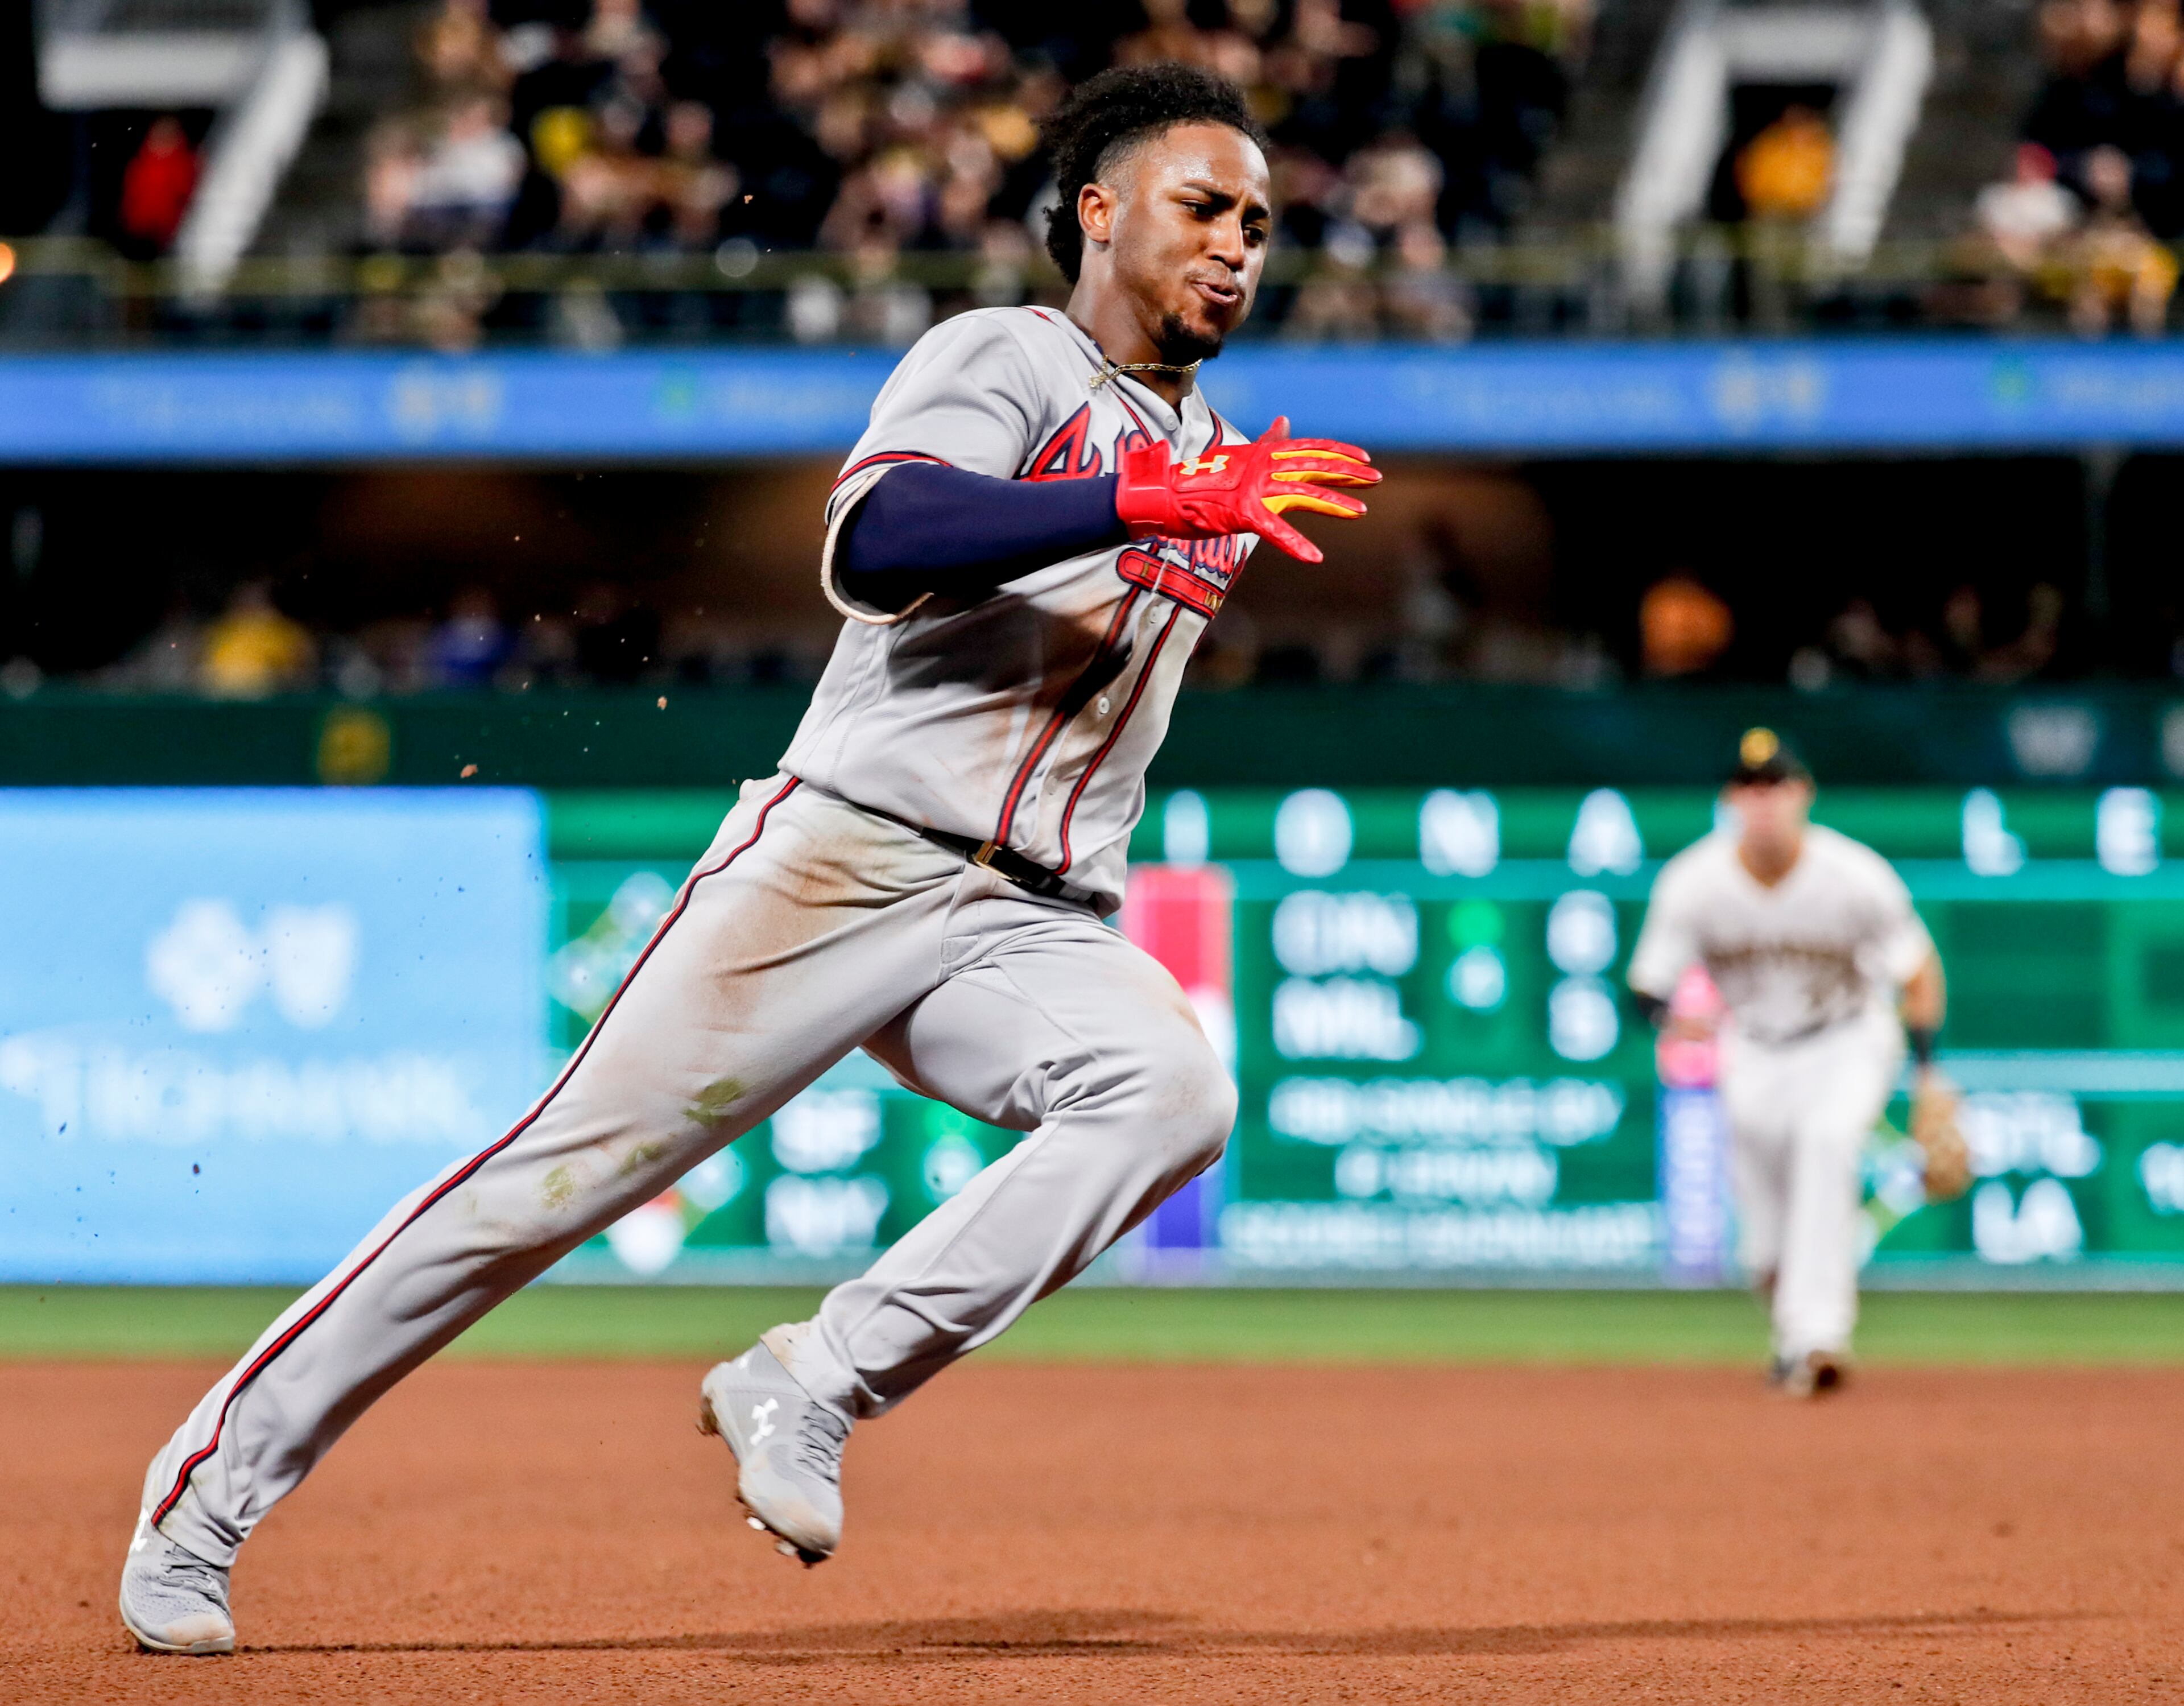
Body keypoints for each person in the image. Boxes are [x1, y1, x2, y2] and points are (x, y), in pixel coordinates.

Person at [117, 61, 1379, 1653]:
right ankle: (205, 1491)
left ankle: (813, 1373)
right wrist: (1136, 493)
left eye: (1261, 223)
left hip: (1024, 916)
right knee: (551, 1183)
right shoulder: (1007, 354)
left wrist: (1172, 486)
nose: (1240, 246)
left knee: (1173, 1090)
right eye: (1206, 206)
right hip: (845, 860)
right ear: (1099, 209)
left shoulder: (1212, 449)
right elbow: (877, 539)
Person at [1626, 729, 1950, 1398]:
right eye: (1749, 786)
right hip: (1753, 1050)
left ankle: (1819, 1338)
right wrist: (1669, 1016)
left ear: (1804, 793)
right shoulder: (1695, 882)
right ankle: (1794, 1334)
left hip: (1848, 1038)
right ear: (1730, 799)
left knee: (1826, 1144)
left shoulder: (1854, 876)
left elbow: (1920, 972)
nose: (1763, 799)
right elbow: (1644, 985)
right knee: (1765, 1249)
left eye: (1776, 784)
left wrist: (1928, 1077)